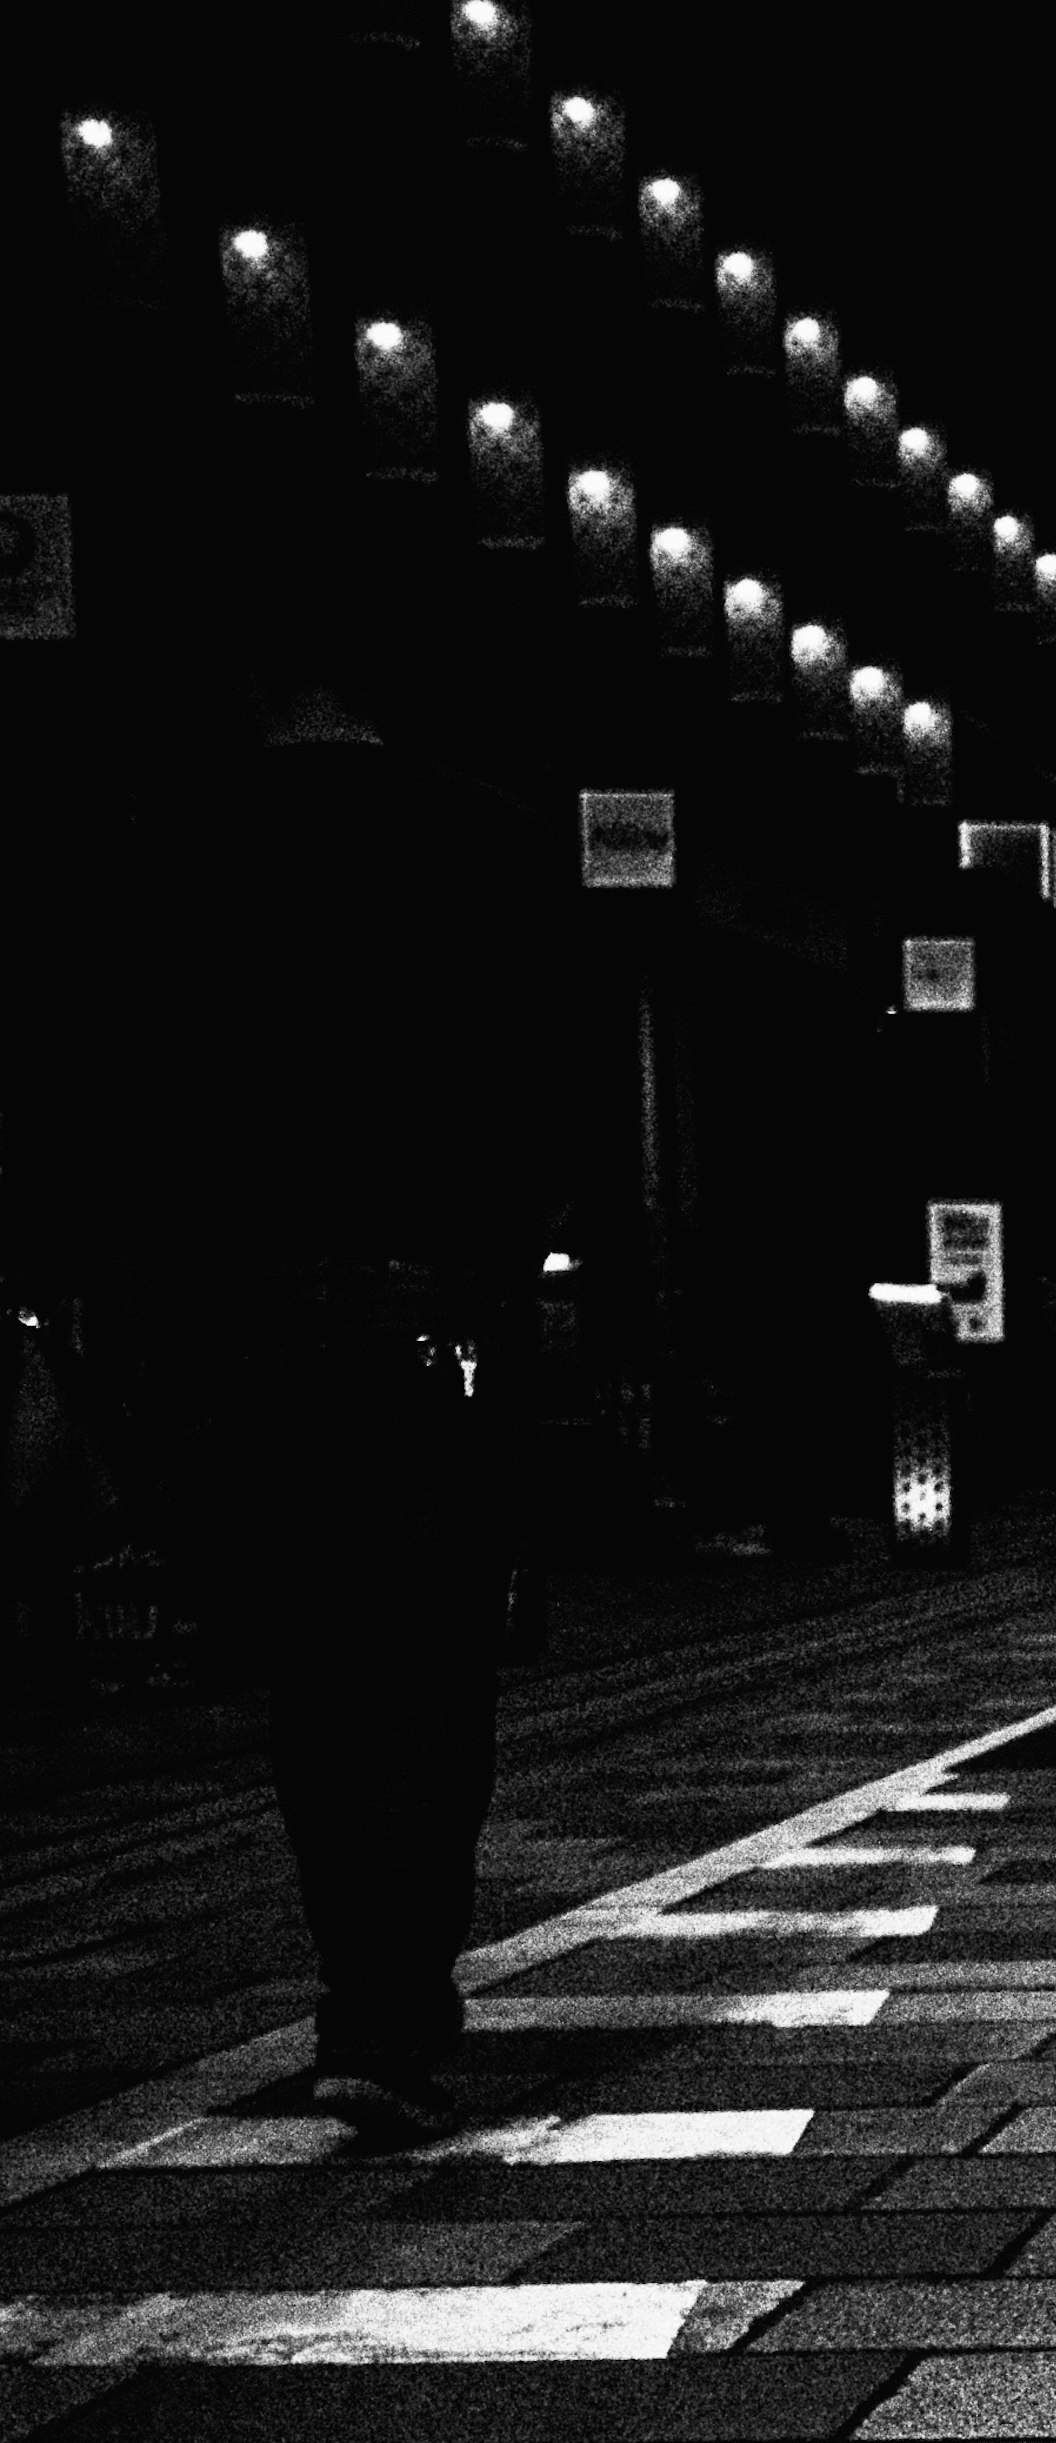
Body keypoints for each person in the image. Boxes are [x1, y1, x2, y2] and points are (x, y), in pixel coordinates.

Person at [223, 685, 540, 2140]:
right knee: (427, 1664)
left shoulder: (195, 847)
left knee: (317, 1678)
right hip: (431, 1316)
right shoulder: (476, 843)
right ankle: (388, 2011)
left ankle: (357, 1985)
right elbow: (548, 1096)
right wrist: (495, 1281)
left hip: (263, 1320)